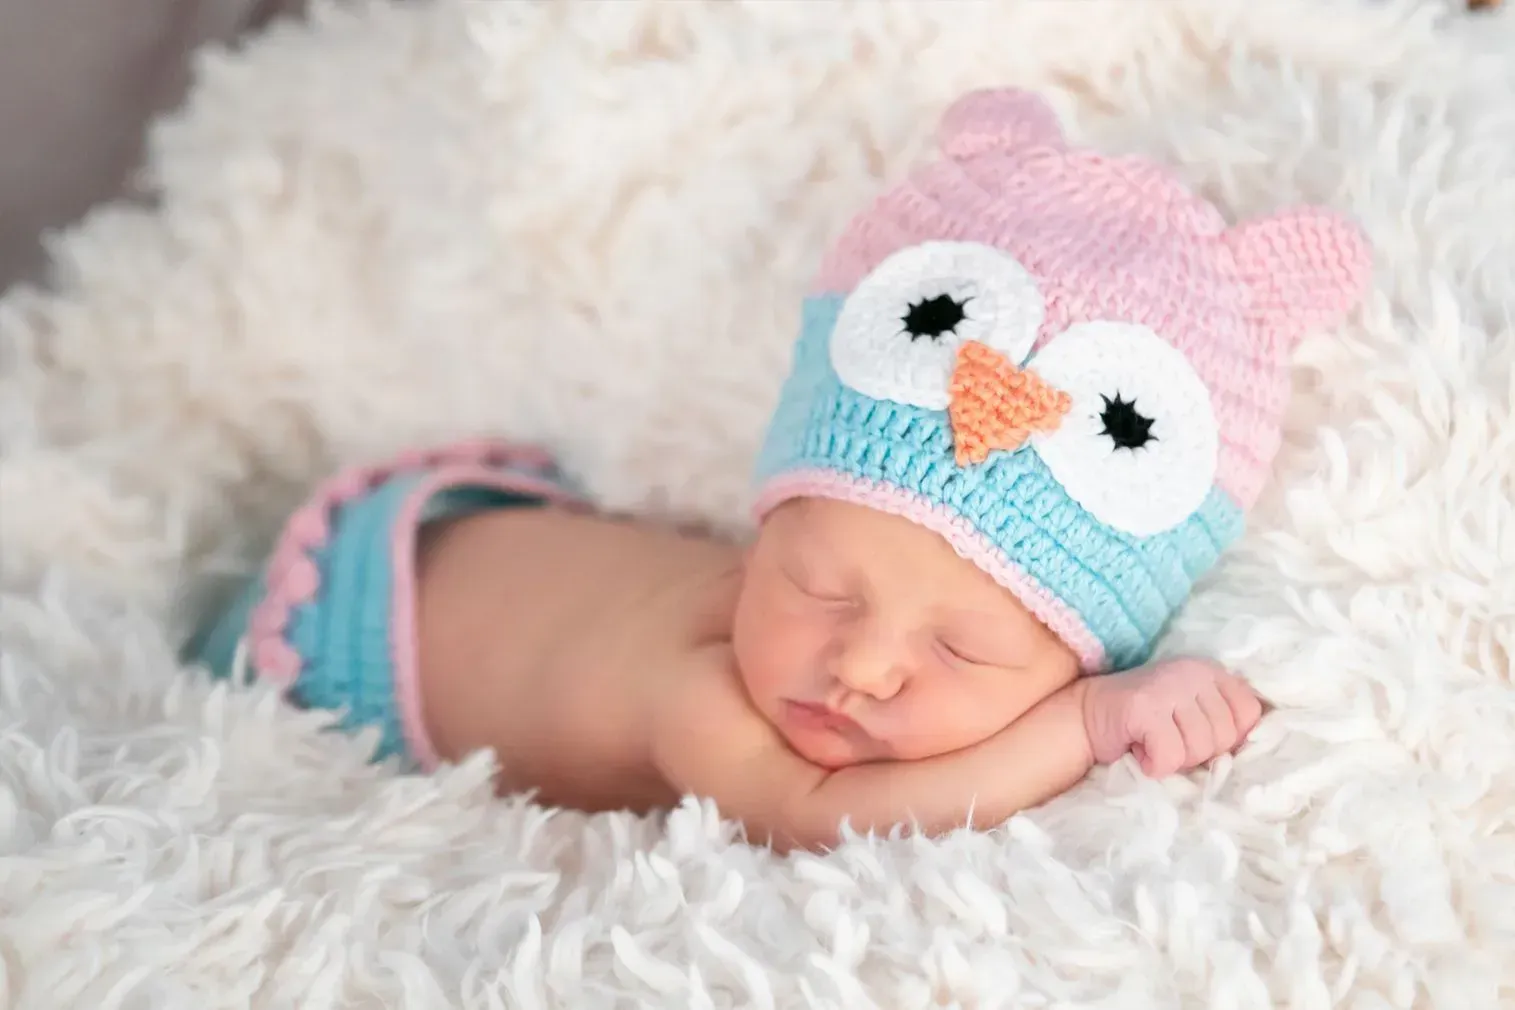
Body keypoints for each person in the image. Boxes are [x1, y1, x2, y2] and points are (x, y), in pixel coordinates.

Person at [186, 87, 1372, 852]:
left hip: (476, 556)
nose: (858, 664)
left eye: (958, 648)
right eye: (814, 584)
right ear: (769, 525)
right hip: (347, 632)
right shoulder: (703, 695)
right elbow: (818, 817)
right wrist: (1090, 722)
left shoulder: (838, 622)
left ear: (1094, 634)